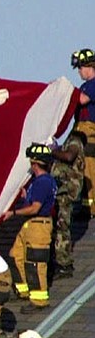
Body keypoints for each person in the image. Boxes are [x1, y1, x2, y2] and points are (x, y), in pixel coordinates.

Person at [3, 144, 57, 314]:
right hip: (30, 225)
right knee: (15, 255)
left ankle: (39, 300)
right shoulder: (40, 182)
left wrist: (13, 212)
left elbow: (35, 208)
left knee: (35, 262)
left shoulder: (43, 182)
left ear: (34, 164)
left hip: (38, 225)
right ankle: (23, 290)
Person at [50, 130, 86, 279]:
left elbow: (69, 156)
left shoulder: (74, 141)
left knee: (62, 227)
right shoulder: (62, 141)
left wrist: (52, 151)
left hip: (67, 190)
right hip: (59, 189)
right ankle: (57, 259)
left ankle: (64, 264)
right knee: (57, 227)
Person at [72, 49, 95, 217]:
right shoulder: (85, 86)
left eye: (80, 67)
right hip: (80, 129)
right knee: (78, 169)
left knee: (89, 170)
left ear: (89, 66)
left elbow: (82, 99)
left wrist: (67, 92)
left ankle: (91, 207)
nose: (79, 71)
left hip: (89, 131)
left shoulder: (93, 84)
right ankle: (84, 205)